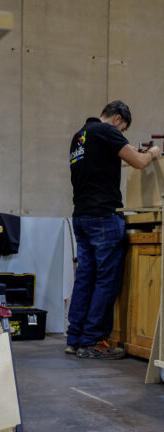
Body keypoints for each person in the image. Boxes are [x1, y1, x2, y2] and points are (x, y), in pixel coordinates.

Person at [66, 100, 161, 359]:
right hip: (103, 218)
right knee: (106, 281)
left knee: (85, 279)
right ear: (118, 119)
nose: (122, 134)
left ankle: (74, 339)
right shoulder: (106, 131)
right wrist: (154, 152)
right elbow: (139, 161)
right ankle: (92, 341)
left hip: (81, 216)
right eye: (123, 130)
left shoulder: (79, 137)